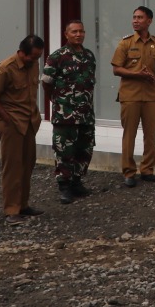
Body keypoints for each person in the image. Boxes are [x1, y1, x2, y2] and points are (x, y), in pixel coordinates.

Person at [0, 33, 46, 224]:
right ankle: (11, 210)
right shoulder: (5, 68)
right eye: (32, 56)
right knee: (13, 167)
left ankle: (23, 205)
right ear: (22, 52)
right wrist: (6, 117)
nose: (35, 60)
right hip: (12, 124)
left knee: (28, 163)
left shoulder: (33, 64)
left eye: (38, 57)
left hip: (29, 122)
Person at [111, 5, 155, 186]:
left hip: (151, 96)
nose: (135, 21)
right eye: (134, 17)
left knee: (150, 135)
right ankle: (129, 172)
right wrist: (136, 74)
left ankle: (147, 170)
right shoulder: (125, 43)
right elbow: (116, 69)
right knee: (129, 135)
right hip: (130, 95)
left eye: (140, 17)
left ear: (149, 21)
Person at [42, 19, 97, 205]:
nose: (78, 34)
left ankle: (77, 181)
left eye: (81, 31)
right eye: (74, 31)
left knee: (84, 148)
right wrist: (56, 101)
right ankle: (64, 186)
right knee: (64, 150)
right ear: (66, 34)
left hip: (86, 113)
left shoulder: (89, 56)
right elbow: (46, 83)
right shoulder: (57, 56)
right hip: (65, 114)